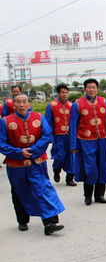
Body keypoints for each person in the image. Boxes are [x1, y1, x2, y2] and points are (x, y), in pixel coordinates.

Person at [0, 94, 65, 235]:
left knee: (43, 189)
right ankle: (22, 220)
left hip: (37, 161)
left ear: (29, 104)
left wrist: (34, 150)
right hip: (16, 164)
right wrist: (18, 152)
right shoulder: (5, 121)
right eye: (18, 102)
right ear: (14, 105)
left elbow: (47, 135)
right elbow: (1, 143)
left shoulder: (39, 117)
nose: (22, 105)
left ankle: (50, 222)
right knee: (19, 192)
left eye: (24, 102)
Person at [69, 78, 106, 205]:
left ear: (97, 89)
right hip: (85, 141)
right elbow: (73, 125)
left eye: (94, 87)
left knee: (103, 167)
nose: (92, 89)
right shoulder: (77, 104)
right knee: (90, 168)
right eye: (89, 87)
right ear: (85, 89)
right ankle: (88, 195)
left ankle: (100, 195)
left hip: (101, 139)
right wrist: (73, 144)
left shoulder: (104, 102)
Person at [45, 83, 76, 186]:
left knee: (72, 157)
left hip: (70, 136)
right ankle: (56, 170)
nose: (64, 94)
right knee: (59, 156)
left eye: (66, 92)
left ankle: (70, 178)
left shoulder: (72, 105)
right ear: (58, 93)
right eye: (62, 92)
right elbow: (48, 122)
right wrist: (50, 136)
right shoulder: (51, 105)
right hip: (58, 136)